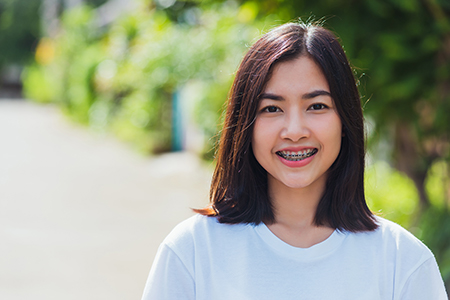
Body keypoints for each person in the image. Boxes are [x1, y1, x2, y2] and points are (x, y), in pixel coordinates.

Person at [141, 21, 448, 299]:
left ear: (346, 119)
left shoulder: (402, 261)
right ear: (244, 124)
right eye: (272, 109)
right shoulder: (193, 251)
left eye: (316, 106)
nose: (294, 131)